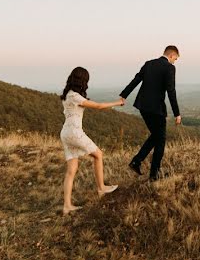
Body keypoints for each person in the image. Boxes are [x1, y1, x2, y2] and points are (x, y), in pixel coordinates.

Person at [59, 66, 121, 215]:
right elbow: (99, 106)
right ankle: (101, 188)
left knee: (71, 171)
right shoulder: (75, 96)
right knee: (98, 155)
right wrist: (117, 103)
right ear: (82, 80)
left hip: (65, 133)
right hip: (74, 132)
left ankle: (67, 206)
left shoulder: (68, 95)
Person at [119, 45, 181, 181]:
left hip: (143, 106)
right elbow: (171, 91)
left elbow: (136, 80)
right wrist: (177, 113)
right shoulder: (169, 68)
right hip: (156, 109)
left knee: (156, 136)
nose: (174, 62)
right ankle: (154, 175)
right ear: (171, 55)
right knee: (160, 140)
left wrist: (124, 95)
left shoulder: (149, 64)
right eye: (175, 59)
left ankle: (137, 161)